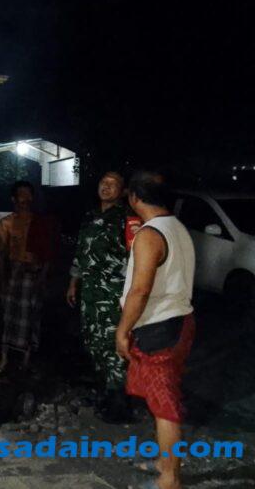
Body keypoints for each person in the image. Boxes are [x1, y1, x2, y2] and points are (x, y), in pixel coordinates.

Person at [116, 171, 195, 489]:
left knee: (165, 405)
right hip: (179, 320)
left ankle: (169, 479)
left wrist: (123, 330)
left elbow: (140, 290)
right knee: (160, 398)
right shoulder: (177, 227)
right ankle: (164, 462)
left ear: (134, 197)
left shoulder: (150, 235)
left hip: (160, 327)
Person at [67, 171, 131, 422]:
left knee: (113, 344)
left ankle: (120, 402)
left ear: (123, 191)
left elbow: (136, 257)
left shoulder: (126, 219)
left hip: (113, 294)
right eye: (104, 182)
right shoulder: (90, 216)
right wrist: (73, 283)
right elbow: (81, 253)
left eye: (113, 184)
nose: (106, 187)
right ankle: (104, 391)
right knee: (93, 340)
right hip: (90, 293)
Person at [0, 180, 56, 369]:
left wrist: (42, 277)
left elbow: (47, 254)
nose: (26, 198)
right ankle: (5, 357)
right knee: (9, 316)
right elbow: (1, 253)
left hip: (33, 273)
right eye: (21, 194)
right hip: (14, 274)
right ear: (13, 198)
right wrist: (2, 280)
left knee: (30, 316)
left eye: (29, 194)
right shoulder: (6, 223)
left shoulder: (39, 222)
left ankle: (26, 358)